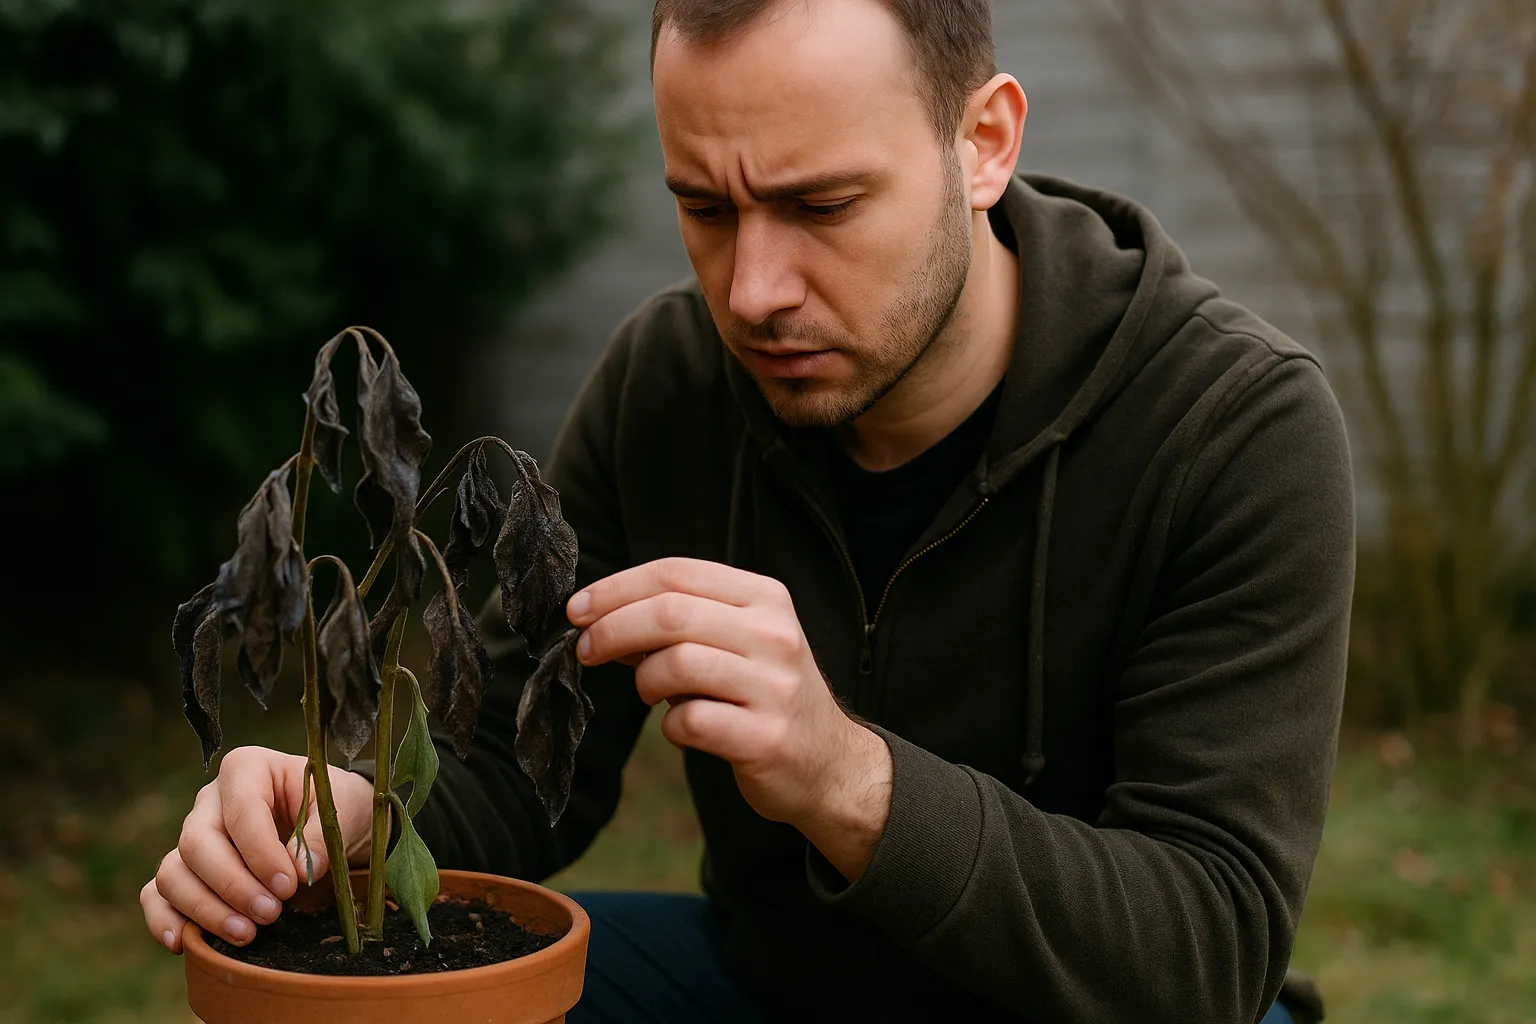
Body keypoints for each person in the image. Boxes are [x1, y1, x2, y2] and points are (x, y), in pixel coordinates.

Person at [140, 1, 1352, 1021]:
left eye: (821, 206)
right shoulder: (665, 386)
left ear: (982, 144)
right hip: (778, 987)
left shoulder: (1231, 429)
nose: (753, 291)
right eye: (706, 210)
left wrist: (847, 778)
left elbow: (1210, 945)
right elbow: (521, 759)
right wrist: (356, 817)